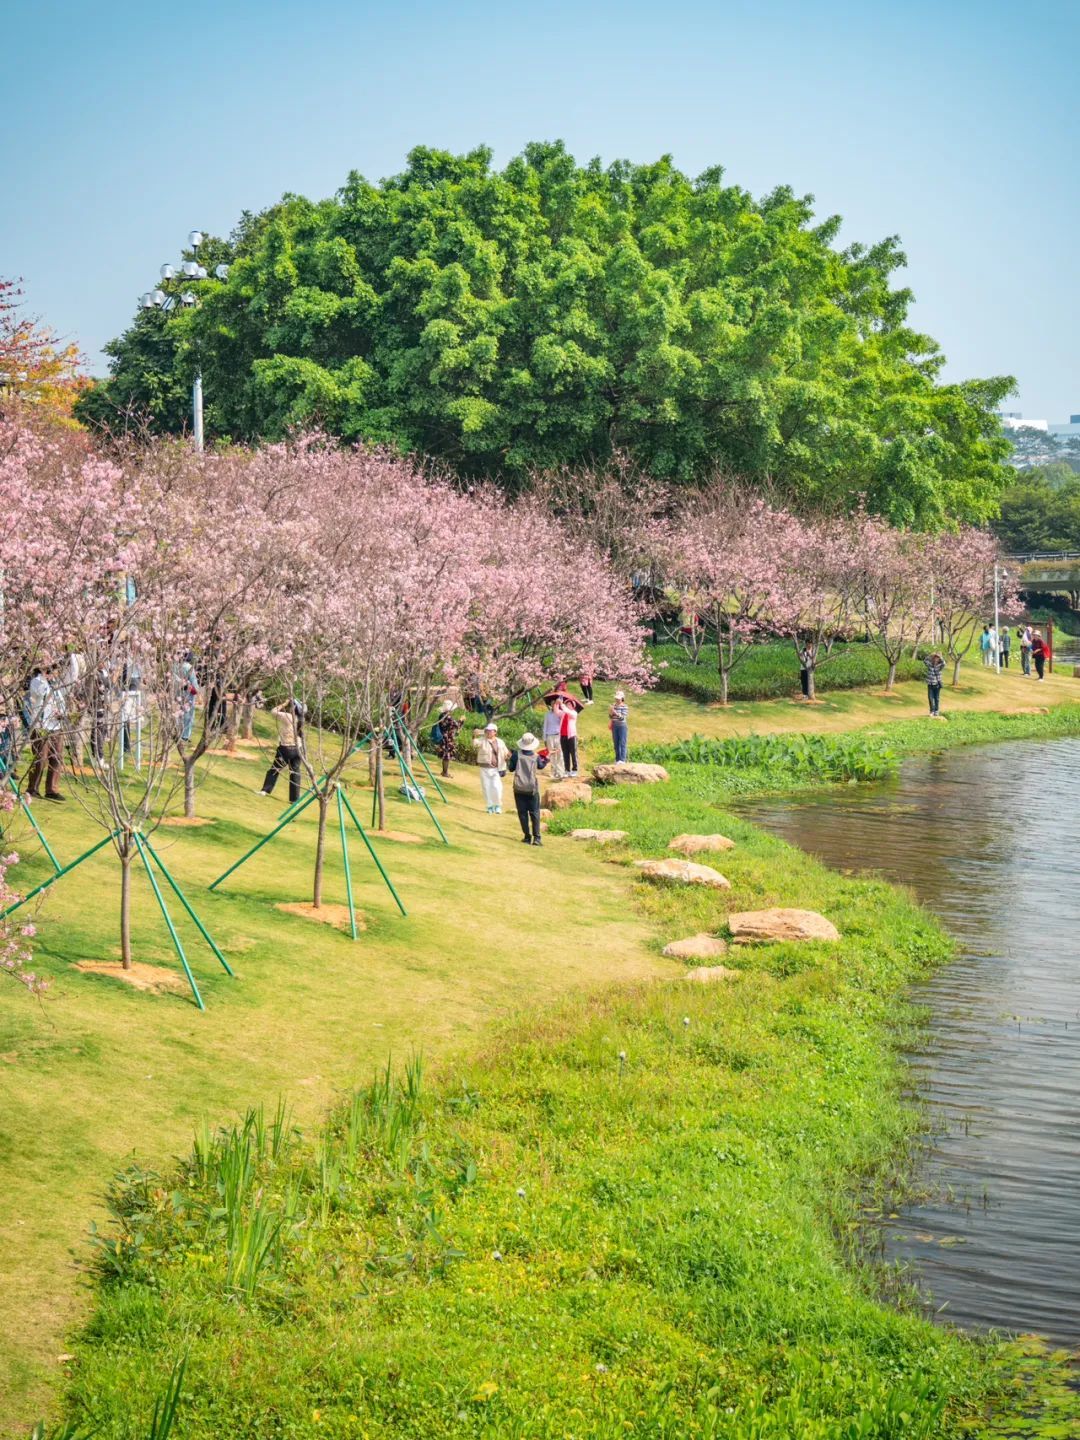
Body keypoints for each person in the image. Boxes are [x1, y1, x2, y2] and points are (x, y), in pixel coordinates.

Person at [25, 665, 66, 801]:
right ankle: (33, 788)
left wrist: (61, 713)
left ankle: (52, 789)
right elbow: (40, 693)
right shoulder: (37, 681)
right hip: (41, 726)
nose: (56, 673)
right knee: (40, 758)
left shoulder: (55, 685)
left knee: (57, 757)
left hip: (56, 726)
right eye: (54, 671)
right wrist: (43, 676)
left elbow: (60, 702)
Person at [259, 698, 305, 803]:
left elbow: (273, 711)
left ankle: (265, 790)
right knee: (295, 773)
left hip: (286, 749)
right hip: (298, 750)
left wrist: (284, 703)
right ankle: (294, 800)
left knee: (275, 769)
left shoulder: (288, 717)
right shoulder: (300, 719)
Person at [507, 731, 548, 846]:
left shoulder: (516, 755)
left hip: (519, 788)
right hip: (532, 789)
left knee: (522, 813)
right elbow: (541, 766)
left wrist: (510, 759)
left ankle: (527, 836)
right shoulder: (536, 756)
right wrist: (547, 759)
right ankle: (537, 838)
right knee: (534, 813)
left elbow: (511, 768)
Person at [472, 721, 510, 813]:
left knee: (497, 787)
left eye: (490, 731)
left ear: (495, 732)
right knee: (486, 787)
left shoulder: (500, 742)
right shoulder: (482, 740)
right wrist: (474, 735)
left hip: (496, 768)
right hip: (484, 768)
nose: (488, 732)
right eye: (487, 730)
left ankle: (497, 805)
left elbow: (506, 752)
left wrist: (508, 756)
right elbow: (474, 744)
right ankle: (489, 806)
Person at [175, 651, 200, 743]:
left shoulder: (176, 666)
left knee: (178, 713)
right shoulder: (189, 667)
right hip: (188, 693)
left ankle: (177, 732)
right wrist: (197, 690)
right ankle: (185, 735)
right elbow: (194, 682)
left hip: (178, 692)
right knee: (188, 714)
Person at [433, 699, 462, 777]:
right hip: (447, 739)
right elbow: (456, 725)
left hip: (444, 737)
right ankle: (445, 772)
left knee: (445, 755)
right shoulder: (448, 717)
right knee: (446, 755)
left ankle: (444, 771)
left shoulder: (442, 715)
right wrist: (461, 720)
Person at [555, 693, 580, 777]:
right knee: (565, 753)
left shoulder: (574, 713)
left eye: (570, 704)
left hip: (571, 735)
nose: (568, 705)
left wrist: (562, 704)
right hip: (563, 735)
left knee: (573, 753)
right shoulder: (563, 713)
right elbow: (556, 712)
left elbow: (567, 711)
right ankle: (567, 770)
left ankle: (575, 769)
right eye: (567, 704)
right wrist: (557, 703)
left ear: (573, 706)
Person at [541, 698, 564, 779]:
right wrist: (544, 738)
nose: (554, 705)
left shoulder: (561, 713)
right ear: (550, 705)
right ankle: (553, 772)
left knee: (560, 754)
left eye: (555, 703)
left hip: (559, 736)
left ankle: (560, 772)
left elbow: (564, 724)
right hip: (549, 736)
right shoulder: (547, 714)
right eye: (552, 703)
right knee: (552, 755)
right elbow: (545, 726)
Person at [609, 689, 630, 762]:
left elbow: (622, 718)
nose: (617, 700)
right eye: (616, 698)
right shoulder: (613, 705)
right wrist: (611, 712)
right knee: (616, 743)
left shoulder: (625, 706)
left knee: (622, 743)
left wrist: (615, 712)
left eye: (618, 699)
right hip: (614, 726)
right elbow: (611, 717)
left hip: (622, 726)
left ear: (622, 698)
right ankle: (617, 759)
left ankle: (623, 759)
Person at [924, 651, 945, 717]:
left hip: (937, 684)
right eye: (935, 657)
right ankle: (931, 711)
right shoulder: (930, 664)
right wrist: (930, 655)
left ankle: (936, 711)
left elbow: (944, 663)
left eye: (938, 657)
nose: (936, 658)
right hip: (930, 684)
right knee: (930, 698)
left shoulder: (940, 665)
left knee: (936, 698)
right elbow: (925, 661)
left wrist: (940, 656)